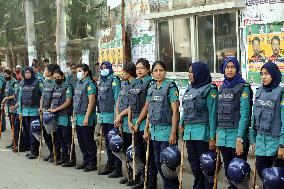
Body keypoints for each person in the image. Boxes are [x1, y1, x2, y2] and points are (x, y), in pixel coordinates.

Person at [179, 62, 218, 189]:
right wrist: (181, 123)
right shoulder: (190, 88)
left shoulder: (210, 90)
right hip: (189, 132)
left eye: (192, 72)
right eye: (189, 72)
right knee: (194, 164)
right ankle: (198, 185)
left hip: (203, 133)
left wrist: (212, 137)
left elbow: (213, 115)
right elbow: (185, 109)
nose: (189, 75)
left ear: (199, 73)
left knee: (206, 165)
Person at [216, 57, 252, 189]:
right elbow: (218, 114)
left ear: (237, 69)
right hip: (223, 137)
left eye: (232, 67)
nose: (229, 70)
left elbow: (245, 115)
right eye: (227, 67)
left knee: (238, 174)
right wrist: (217, 133)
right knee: (228, 173)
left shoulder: (244, 87)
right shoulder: (221, 88)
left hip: (236, 137)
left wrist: (240, 139)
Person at [144, 61, 179, 189]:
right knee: (158, 162)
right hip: (154, 131)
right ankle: (169, 185)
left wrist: (173, 133)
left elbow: (175, 110)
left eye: (161, 70)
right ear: (152, 73)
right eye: (156, 71)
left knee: (167, 163)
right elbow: (149, 110)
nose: (159, 73)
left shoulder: (171, 87)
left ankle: (171, 186)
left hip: (167, 131)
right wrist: (146, 129)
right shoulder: (151, 87)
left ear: (165, 72)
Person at [250, 62, 284, 188]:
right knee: (264, 177)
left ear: (274, 75)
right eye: (262, 74)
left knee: (276, 180)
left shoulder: (281, 93)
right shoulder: (259, 92)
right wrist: (253, 140)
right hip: (260, 144)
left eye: (266, 74)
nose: (263, 77)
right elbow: (254, 119)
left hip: (275, 145)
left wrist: (282, 145)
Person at [128, 58, 158, 189]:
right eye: (137, 68)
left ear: (147, 70)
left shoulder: (150, 83)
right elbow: (130, 104)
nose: (139, 70)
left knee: (148, 154)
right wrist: (129, 121)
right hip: (135, 122)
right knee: (138, 152)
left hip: (144, 122)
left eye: (142, 68)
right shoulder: (134, 83)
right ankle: (141, 178)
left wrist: (139, 122)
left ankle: (151, 181)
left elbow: (148, 106)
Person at [114, 63, 138, 181]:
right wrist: (117, 115)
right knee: (124, 148)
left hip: (130, 121)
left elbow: (132, 106)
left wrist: (121, 115)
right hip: (122, 122)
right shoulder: (123, 84)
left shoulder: (135, 85)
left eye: (123, 72)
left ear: (128, 73)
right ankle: (129, 175)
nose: (122, 74)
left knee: (131, 149)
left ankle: (135, 175)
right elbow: (119, 100)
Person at [97, 61, 121, 176]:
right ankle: (109, 165)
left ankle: (117, 168)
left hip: (112, 117)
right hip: (103, 117)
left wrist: (117, 117)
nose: (103, 69)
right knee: (107, 143)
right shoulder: (101, 81)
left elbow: (117, 99)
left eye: (105, 67)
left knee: (114, 143)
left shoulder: (114, 80)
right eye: (102, 68)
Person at [73, 63, 97, 172]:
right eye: (77, 71)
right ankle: (85, 161)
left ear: (86, 72)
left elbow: (91, 103)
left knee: (88, 141)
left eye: (80, 71)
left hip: (86, 117)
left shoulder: (90, 84)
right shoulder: (78, 83)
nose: (78, 73)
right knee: (81, 141)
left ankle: (92, 163)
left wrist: (86, 118)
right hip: (78, 116)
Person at [49, 69, 75, 167]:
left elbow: (68, 101)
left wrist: (57, 109)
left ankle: (71, 159)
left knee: (67, 138)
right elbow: (53, 100)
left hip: (64, 116)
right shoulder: (55, 87)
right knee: (60, 138)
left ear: (63, 76)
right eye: (55, 78)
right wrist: (51, 109)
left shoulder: (67, 87)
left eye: (58, 78)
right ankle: (64, 158)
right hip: (56, 117)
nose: (56, 79)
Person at [18, 67, 43, 159]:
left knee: (34, 132)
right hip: (25, 112)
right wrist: (20, 112)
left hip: (34, 111)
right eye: (26, 73)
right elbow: (20, 98)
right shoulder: (22, 83)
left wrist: (41, 107)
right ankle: (33, 151)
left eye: (29, 72)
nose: (27, 74)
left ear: (32, 73)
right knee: (28, 132)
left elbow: (43, 95)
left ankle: (34, 151)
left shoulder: (38, 82)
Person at [39, 64, 61, 162]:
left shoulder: (56, 83)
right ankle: (51, 152)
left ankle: (56, 154)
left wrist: (52, 110)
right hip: (44, 111)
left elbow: (56, 98)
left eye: (46, 69)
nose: (44, 71)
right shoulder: (46, 82)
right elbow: (42, 96)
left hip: (52, 112)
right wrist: (40, 107)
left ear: (51, 72)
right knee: (46, 134)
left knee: (54, 134)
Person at [2, 69, 18, 149]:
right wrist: (5, 101)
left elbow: (16, 95)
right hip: (9, 106)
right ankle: (13, 141)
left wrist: (6, 98)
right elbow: (6, 93)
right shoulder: (7, 82)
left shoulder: (15, 83)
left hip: (14, 106)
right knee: (12, 125)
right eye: (4, 76)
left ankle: (16, 142)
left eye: (6, 76)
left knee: (15, 125)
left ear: (10, 75)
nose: (5, 77)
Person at [0, 65, 6, 132]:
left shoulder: (0, 77)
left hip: (1, 95)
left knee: (1, 111)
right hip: (2, 95)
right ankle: (2, 126)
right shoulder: (2, 75)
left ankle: (2, 126)